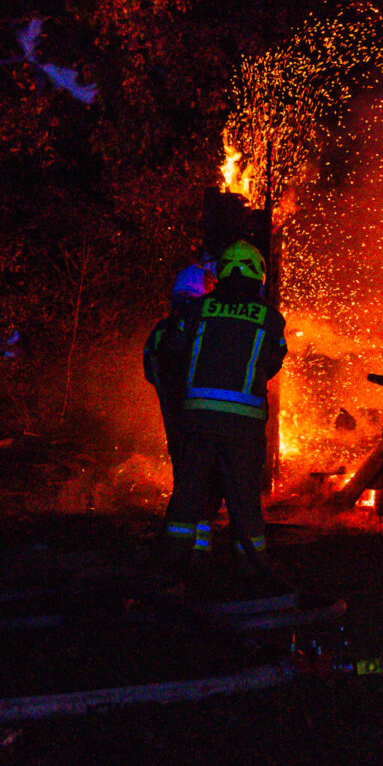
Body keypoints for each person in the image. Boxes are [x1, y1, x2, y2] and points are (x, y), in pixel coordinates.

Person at [162, 239, 290, 593]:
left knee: (189, 493)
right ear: (259, 276)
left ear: (221, 273)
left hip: (197, 421)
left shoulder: (198, 309)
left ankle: (175, 566)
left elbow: (174, 350)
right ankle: (250, 569)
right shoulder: (270, 318)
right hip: (242, 427)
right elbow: (273, 362)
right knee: (244, 498)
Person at [144, 263, 217, 574]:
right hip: (201, 422)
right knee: (207, 487)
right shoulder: (200, 328)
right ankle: (196, 557)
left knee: (186, 485)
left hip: (175, 422)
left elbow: (151, 373)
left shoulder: (160, 331)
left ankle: (177, 552)